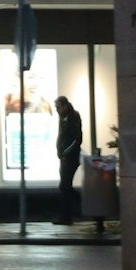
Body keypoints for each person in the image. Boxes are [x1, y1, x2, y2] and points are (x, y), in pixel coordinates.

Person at [54, 95, 83, 225]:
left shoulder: (73, 117)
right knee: (65, 186)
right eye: (56, 108)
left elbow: (77, 139)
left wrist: (65, 152)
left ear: (65, 106)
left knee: (64, 185)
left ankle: (67, 215)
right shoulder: (63, 118)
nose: (57, 110)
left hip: (71, 157)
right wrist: (59, 151)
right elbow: (61, 136)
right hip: (64, 157)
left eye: (59, 107)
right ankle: (74, 209)